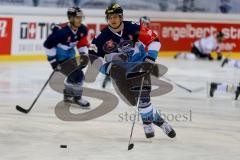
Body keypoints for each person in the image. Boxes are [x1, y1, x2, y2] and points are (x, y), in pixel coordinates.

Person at [89, 3, 176, 139]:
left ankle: (147, 124)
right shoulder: (101, 37)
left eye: (116, 16)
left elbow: (154, 41)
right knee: (136, 103)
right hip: (119, 74)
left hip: (139, 66)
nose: (113, 19)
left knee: (143, 99)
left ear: (121, 16)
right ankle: (161, 121)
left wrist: (150, 58)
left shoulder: (133, 27)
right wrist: (107, 69)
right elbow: (93, 58)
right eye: (110, 17)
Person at [43, 6, 90, 108]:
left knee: (74, 75)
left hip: (71, 56)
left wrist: (84, 55)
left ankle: (68, 96)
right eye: (77, 17)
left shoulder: (82, 29)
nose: (80, 20)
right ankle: (77, 98)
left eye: (81, 17)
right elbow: (48, 45)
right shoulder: (61, 31)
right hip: (60, 58)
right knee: (78, 75)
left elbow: (82, 43)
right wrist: (53, 62)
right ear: (70, 18)